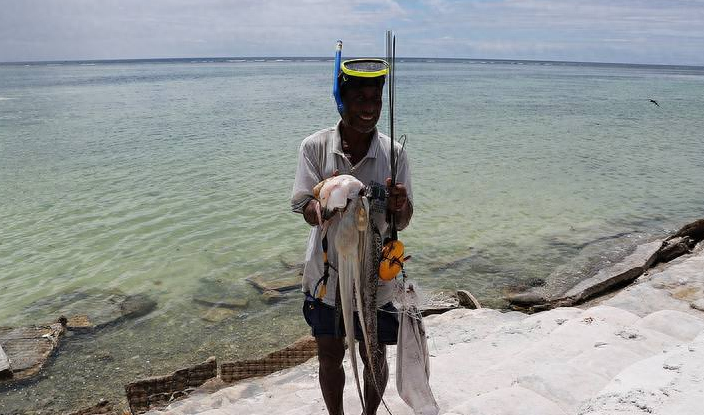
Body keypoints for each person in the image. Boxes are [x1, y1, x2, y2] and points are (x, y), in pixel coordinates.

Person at [290, 58, 413, 415]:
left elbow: (403, 221)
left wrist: (398, 204)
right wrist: (325, 207)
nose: (369, 108)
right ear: (340, 101)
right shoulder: (313, 147)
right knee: (330, 355)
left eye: (375, 99)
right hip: (327, 276)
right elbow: (304, 207)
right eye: (360, 98)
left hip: (378, 276)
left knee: (374, 351)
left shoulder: (395, 154)